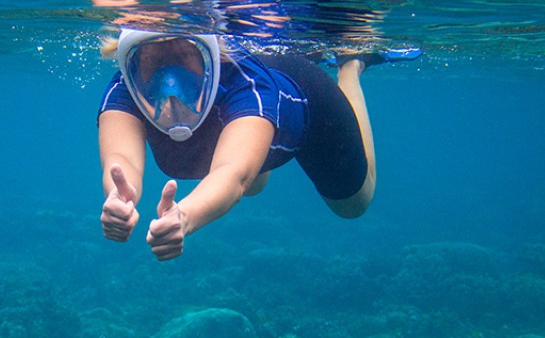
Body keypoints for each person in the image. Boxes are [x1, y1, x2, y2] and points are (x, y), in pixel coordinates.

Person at [97, 28, 421, 260]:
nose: (170, 82)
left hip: (308, 101)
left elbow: (232, 175)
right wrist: (118, 197)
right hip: (240, 131)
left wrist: (184, 217)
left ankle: (351, 64)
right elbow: (121, 158)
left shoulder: (251, 90)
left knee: (354, 205)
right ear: (131, 67)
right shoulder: (125, 90)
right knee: (252, 182)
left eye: (184, 57)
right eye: (154, 63)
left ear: (211, 58)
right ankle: (258, 154)